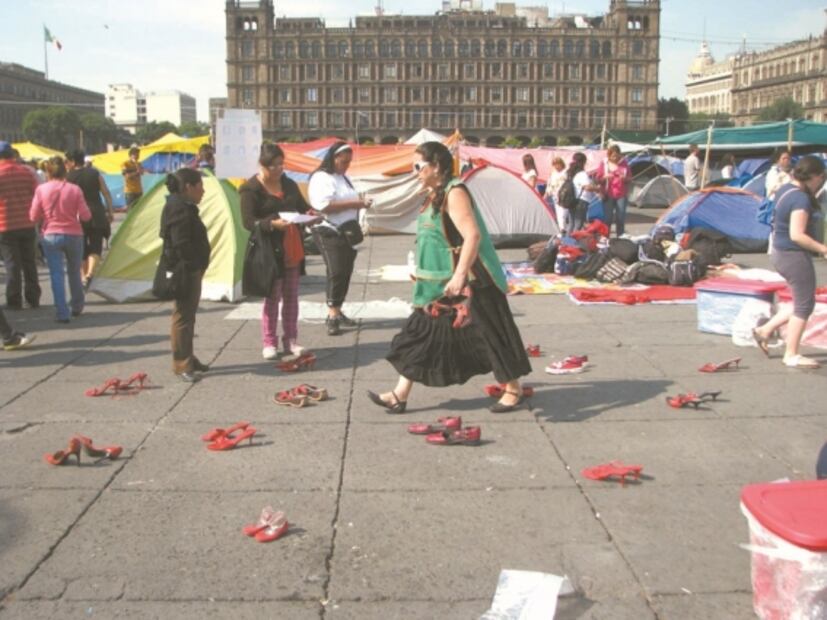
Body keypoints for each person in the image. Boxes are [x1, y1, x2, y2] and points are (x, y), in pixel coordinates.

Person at [367, 141, 531, 414]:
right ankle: (399, 394)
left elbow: (472, 236)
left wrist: (459, 276)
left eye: (419, 166)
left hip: (469, 282)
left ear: (437, 166)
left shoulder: (455, 193)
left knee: (489, 334)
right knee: (420, 334)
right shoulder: (433, 194)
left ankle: (513, 388)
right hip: (435, 284)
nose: (414, 170)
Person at [240, 143, 315, 360]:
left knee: (291, 297)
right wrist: (272, 224)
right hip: (268, 250)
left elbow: (301, 207)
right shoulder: (250, 188)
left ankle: (291, 340)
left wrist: (311, 214)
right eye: (273, 166)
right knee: (272, 297)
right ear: (261, 166)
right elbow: (248, 222)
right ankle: (269, 341)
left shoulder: (289, 183)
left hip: (291, 247)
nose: (278, 170)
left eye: (281, 165)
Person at [752, 156, 827, 370]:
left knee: (801, 301)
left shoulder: (786, 189)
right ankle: (791, 353)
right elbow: (797, 234)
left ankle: (764, 331)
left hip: (779, 251)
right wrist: (823, 249)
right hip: (793, 254)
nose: (821, 182)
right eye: (821, 178)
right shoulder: (801, 199)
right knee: (804, 305)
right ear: (815, 176)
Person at [308, 142, 372, 336]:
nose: (346, 165)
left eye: (349, 162)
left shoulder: (344, 177)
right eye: (343, 161)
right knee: (336, 271)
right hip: (328, 230)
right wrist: (357, 203)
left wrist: (359, 205)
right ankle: (332, 314)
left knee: (345, 271)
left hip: (347, 231)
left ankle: (338, 308)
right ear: (333, 158)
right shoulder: (321, 177)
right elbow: (323, 205)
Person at [159, 168, 211, 382]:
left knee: (188, 316)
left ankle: (188, 356)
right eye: (200, 186)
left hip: (189, 268)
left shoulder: (182, 205)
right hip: (184, 270)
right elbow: (180, 243)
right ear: (188, 187)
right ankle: (182, 364)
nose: (203, 191)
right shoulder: (178, 208)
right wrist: (193, 265)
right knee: (182, 317)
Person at [29, 156, 91, 323]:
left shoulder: (41, 190)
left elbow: (33, 215)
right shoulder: (75, 189)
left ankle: (62, 312)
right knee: (74, 272)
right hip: (74, 234)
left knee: (56, 274)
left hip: (50, 234)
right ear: (66, 171)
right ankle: (77, 306)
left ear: (48, 171)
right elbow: (86, 215)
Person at [0, 141, 41, 310]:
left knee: (12, 264)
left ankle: (14, 300)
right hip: (27, 223)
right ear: (13, 155)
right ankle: (33, 298)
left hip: (5, 225)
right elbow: (37, 195)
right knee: (29, 262)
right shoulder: (27, 172)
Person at [66, 149, 114, 287]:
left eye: (67, 161)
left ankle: (82, 276)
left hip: (77, 216)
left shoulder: (69, 177)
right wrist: (110, 211)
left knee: (80, 247)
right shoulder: (94, 173)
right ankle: (90, 274)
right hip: (97, 214)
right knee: (95, 246)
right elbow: (106, 192)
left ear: (73, 161)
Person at [595, 144, 631, 237]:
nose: (615, 158)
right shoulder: (604, 163)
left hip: (621, 194)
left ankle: (620, 238)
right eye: (613, 156)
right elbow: (597, 179)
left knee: (620, 218)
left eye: (617, 155)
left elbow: (630, 179)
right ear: (609, 155)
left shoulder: (624, 163)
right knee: (608, 219)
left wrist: (624, 178)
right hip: (608, 194)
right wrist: (605, 177)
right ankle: (606, 238)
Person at [569, 152, 598, 231]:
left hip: (571, 200)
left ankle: (566, 241)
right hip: (581, 201)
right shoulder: (582, 174)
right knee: (578, 224)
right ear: (584, 162)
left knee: (571, 224)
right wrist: (597, 188)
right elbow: (587, 187)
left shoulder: (570, 173)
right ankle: (572, 242)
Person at [545, 156, 569, 234]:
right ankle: (562, 230)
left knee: (563, 214)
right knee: (558, 215)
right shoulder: (553, 173)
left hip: (564, 196)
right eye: (554, 164)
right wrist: (547, 193)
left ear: (561, 164)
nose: (556, 166)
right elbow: (549, 184)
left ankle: (563, 230)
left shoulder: (566, 172)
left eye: (557, 164)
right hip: (555, 196)